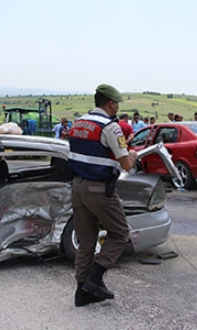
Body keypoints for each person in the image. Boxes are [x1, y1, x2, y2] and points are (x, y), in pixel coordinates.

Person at [67, 84, 138, 307]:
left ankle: (81, 292)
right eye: (117, 103)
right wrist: (134, 154)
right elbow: (126, 163)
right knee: (120, 232)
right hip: (99, 188)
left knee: (86, 242)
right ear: (111, 103)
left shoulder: (78, 123)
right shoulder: (110, 127)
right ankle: (95, 277)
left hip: (77, 186)